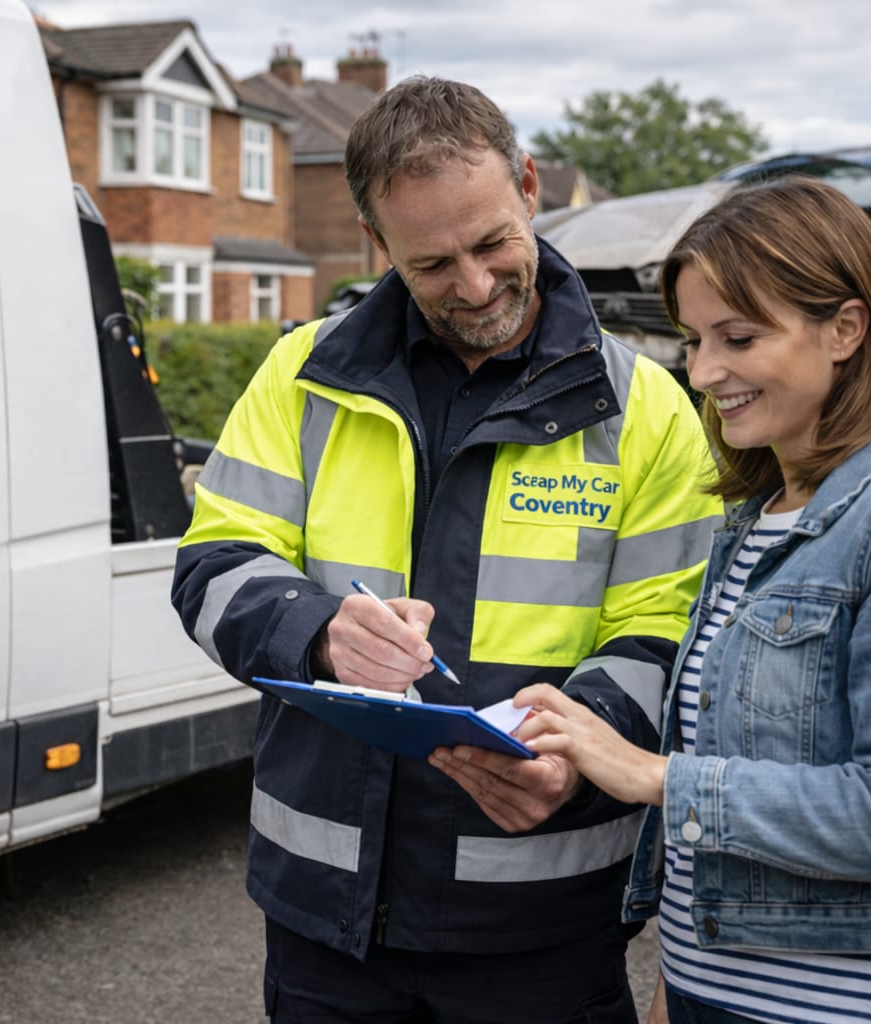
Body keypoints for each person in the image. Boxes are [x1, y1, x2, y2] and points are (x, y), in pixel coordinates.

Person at [171, 76, 721, 1023]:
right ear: (374, 241)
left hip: (543, 926)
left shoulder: (647, 410)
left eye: (492, 243)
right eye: (431, 264)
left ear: (530, 186)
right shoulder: (300, 374)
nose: (473, 286)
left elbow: (668, 630)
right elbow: (215, 559)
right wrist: (318, 633)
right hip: (326, 923)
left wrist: (576, 755)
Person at [440, 176, 871, 1024]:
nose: (704, 372)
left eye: (739, 337)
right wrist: (675, 984)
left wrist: (654, 776)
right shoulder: (755, 518)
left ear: (846, 329)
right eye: (694, 339)